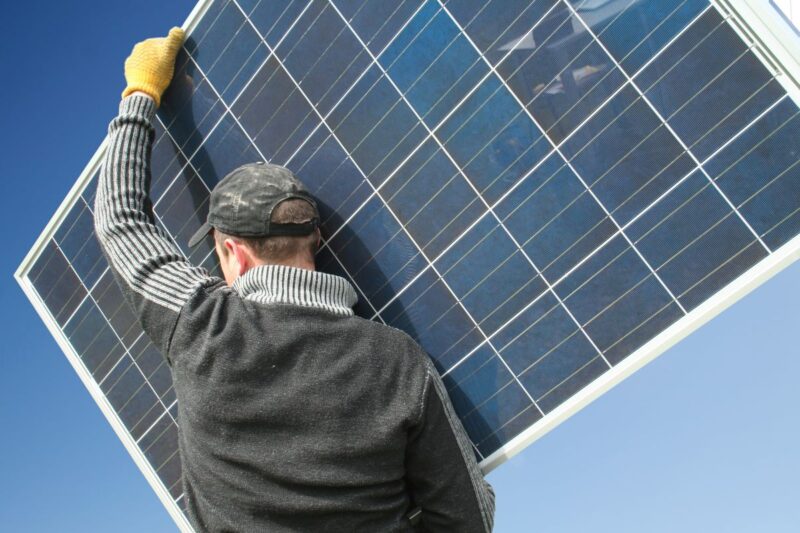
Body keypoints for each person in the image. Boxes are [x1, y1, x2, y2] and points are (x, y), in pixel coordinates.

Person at [95, 27, 495, 532]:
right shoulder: (399, 360)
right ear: (315, 239)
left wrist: (141, 94)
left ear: (232, 253)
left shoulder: (203, 326)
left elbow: (120, 220)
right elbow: (467, 516)